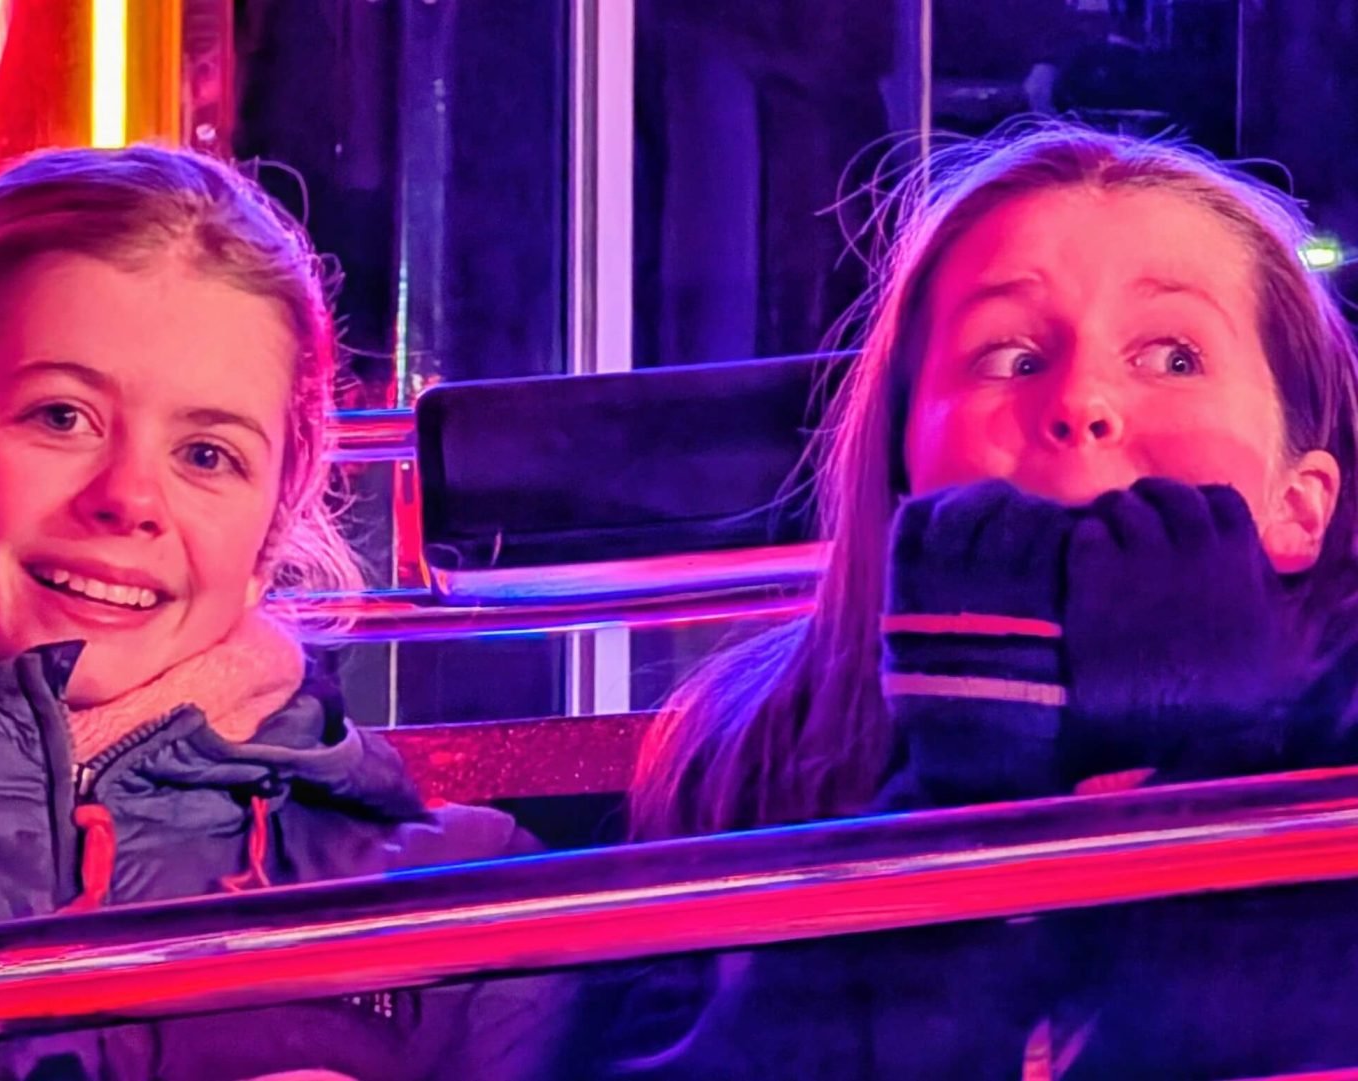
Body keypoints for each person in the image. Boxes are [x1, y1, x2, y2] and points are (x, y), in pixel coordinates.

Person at [580, 122, 1358, 1077]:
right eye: (1011, 358)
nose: (1080, 402)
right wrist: (965, 804)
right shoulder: (742, 751)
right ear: (909, 463)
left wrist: (1207, 773)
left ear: (1299, 503)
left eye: (1173, 357)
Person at [0, 145, 553, 1081]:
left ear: (268, 539)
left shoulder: (452, 895)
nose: (129, 496)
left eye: (208, 454)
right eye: (61, 415)